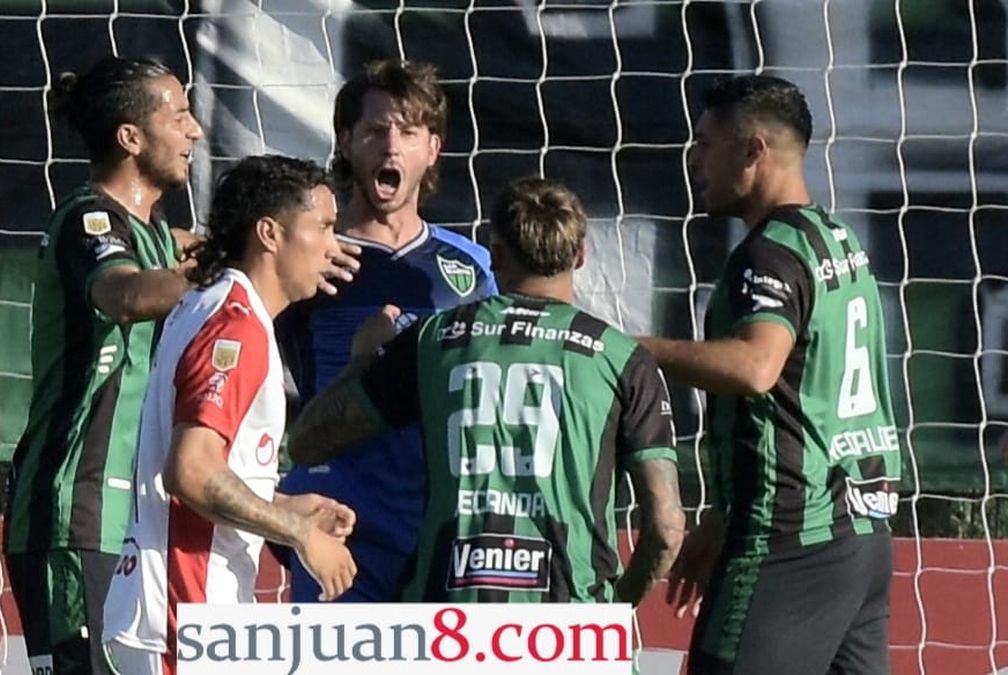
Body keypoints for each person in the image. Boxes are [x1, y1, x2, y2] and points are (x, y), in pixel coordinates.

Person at [289, 176, 685, 605]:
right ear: (581, 255)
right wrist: (616, 610)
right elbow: (666, 529)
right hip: (572, 619)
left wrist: (363, 358)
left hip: (451, 618)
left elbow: (308, 442)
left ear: (494, 254)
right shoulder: (623, 359)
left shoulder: (431, 341)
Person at [638, 75, 901, 674]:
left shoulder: (769, 253)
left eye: (706, 144)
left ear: (753, 150)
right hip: (860, 534)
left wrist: (633, 350)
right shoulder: (836, 237)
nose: (694, 160)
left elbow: (757, 367)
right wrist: (725, 511)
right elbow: (800, 394)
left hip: (788, 541)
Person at [101, 155, 358, 675]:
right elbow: (190, 471)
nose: (334, 247)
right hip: (183, 612)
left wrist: (279, 501)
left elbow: (200, 467)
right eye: (324, 227)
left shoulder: (215, 306)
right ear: (270, 233)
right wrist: (299, 532)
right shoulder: (234, 325)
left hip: (182, 609)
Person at [3, 56, 206, 675]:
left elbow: (208, 251)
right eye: (179, 115)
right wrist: (221, 278)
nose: (195, 130)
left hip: (135, 520)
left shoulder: (157, 234)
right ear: (130, 137)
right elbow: (123, 294)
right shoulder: (86, 219)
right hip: (76, 510)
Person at [276, 59, 498, 602]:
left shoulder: (470, 266)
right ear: (346, 142)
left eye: (409, 132)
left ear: (433, 149)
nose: (391, 147)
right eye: (375, 131)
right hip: (336, 520)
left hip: (443, 521)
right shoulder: (308, 257)